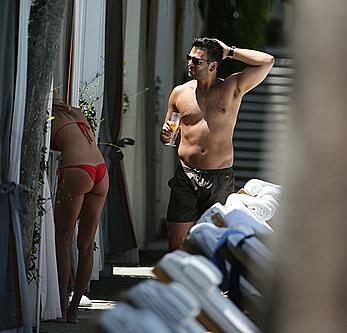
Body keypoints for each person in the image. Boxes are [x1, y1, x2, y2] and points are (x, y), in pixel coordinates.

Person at [160, 37, 275, 251]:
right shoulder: (179, 92)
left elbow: (267, 61)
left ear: (213, 65)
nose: (190, 63)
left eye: (197, 60)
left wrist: (229, 51)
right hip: (185, 177)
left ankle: (213, 285)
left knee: (216, 244)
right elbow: (168, 135)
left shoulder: (232, 88)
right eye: (189, 58)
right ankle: (182, 283)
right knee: (176, 242)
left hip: (219, 178)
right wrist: (166, 135)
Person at [51, 102, 109, 323]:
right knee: (86, 244)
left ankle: (61, 309)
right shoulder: (75, 110)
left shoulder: (47, 113)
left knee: (63, 240)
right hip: (100, 171)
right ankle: (74, 309)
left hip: (77, 169)